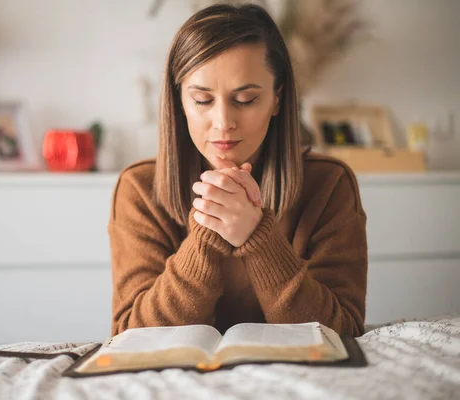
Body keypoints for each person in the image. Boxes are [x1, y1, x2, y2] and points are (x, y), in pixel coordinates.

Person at [109, 3, 368, 338]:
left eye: (245, 100)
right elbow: (130, 336)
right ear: (179, 101)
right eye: (202, 100)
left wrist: (258, 235)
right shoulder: (140, 188)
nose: (224, 123)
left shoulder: (330, 184)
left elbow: (342, 332)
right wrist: (207, 230)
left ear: (277, 99)